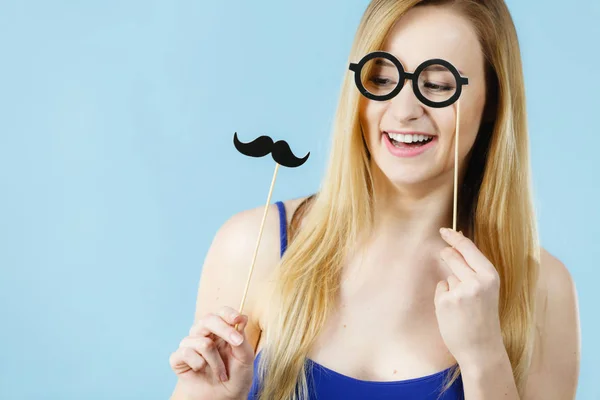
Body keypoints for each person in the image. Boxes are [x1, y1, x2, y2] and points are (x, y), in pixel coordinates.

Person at [169, 0, 581, 399]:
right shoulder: (253, 247)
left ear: (492, 101)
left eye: (438, 85)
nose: (403, 111)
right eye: (382, 79)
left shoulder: (543, 290)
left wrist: (484, 358)